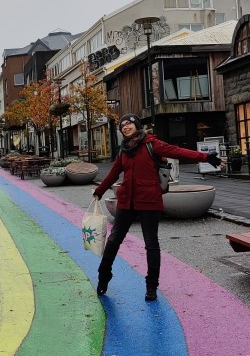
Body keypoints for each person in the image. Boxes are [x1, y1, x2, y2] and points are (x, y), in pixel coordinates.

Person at [92, 113, 224, 301]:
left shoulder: (151, 144)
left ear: (137, 126)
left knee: (151, 244)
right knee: (113, 241)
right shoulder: (123, 151)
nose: (125, 127)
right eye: (122, 125)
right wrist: (99, 190)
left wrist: (206, 157)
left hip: (149, 201)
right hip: (126, 201)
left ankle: (151, 285)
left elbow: (178, 151)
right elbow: (113, 174)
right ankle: (104, 275)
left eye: (129, 123)